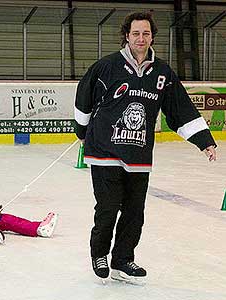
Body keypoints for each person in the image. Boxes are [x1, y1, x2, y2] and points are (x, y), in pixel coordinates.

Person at [74, 12, 217, 282]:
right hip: (104, 151)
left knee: (134, 211)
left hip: (138, 155)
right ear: (126, 35)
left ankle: (123, 260)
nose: (141, 38)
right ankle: (100, 254)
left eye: (146, 34)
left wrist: (204, 141)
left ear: (152, 37)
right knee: (107, 207)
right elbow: (84, 98)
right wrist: (82, 132)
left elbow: (179, 108)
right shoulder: (106, 66)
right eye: (136, 33)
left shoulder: (162, 73)